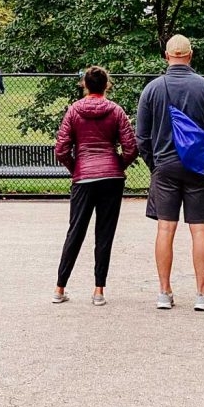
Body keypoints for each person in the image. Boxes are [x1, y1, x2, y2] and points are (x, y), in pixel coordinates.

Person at [136, 35, 204, 312]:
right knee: (199, 229)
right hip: (199, 168)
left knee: (165, 228)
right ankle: (202, 294)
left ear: (167, 56)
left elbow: (141, 137)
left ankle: (164, 293)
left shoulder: (152, 89)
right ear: (190, 55)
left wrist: (154, 166)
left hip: (164, 167)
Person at [52, 66, 137, 306]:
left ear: (85, 85)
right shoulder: (116, 111)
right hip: (111, 178)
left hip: (84, 177)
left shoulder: (74, 111)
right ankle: (99, 290)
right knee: (104, 234)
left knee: (75, 231)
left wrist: (76, 168)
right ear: (106, 85)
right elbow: (131, 146)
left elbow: (61, 149)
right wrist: (117, 165)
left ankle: (60, 287)